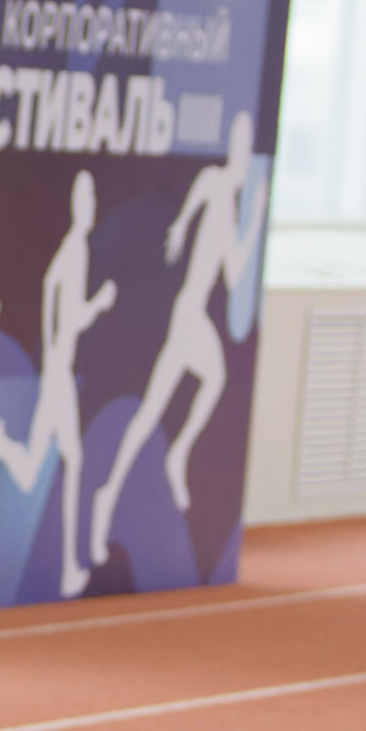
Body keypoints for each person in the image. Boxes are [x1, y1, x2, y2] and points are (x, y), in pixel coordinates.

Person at [89, 108, 265, 545]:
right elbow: (186, 218)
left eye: (247, 149)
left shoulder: (231, 215)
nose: (242, 157)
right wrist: (182, 230)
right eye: (239, 147)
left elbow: (234, 273)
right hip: (188, 313)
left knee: (162, 405)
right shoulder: (214, 182)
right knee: (194, 388)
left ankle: (117, 490)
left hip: (195, 314)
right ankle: (156, 466)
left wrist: (256, 219)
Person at [0, 170, 117, 597]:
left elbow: (52, 301)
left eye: (94, 197)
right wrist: (99, 303)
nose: (92, 205)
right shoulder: (74, 252)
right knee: (69, 463)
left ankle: (2, 446)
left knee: (44, 466)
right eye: (88, 197)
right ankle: (70, 567)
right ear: (79, 204)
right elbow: (70, 315)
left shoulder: (70, 252)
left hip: (56, 374)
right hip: (57, 378)